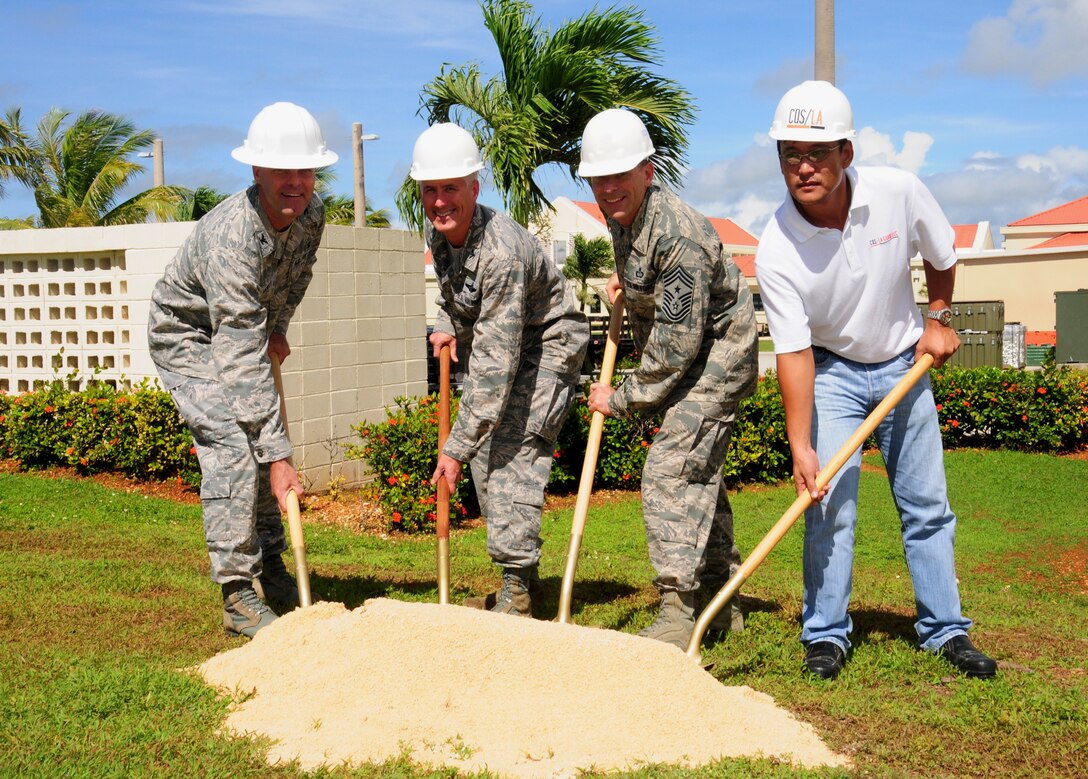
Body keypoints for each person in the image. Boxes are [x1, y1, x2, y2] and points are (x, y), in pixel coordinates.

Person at [754, 80, 998, 679]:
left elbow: (943, 254)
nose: (803, 167)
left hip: (903, 364)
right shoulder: (776, 247)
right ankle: (826, 635)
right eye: (790, 154)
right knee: (828, 503)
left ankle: (946, 630)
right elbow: (793, 352)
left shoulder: (898, 191)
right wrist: (802, 444)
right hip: (832, 369)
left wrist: (937, 318)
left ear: (847, 152)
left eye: (817, 153)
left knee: (926, 506)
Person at [148, 102, 337, 638]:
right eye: (283, 171)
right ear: (256, 171)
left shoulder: (313, 214)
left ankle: (272, 568)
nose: (297, 183)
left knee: (258, 438)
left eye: (305, 170)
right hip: (189, 337)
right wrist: (278, 456)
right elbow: (236, 352)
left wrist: (277, 325)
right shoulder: (233, 236)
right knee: (236, 443)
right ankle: (237, 594)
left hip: (244, 330)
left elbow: (296, 275)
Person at [579, 108, 759, 649]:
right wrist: (629, 286)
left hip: (717, 357)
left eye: (620, 176)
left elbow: (675, 346)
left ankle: (679, 613)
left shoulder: (678, 235)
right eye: (599, 178)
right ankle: (721, 596)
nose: (609, 188)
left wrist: (622, 396)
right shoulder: (625, 219)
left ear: (648, 172)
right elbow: (651, 283)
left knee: (671, 470)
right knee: (698, 471)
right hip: (691, 350)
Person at [414, 123, 589, 616]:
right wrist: (447, 322)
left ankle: (516, 591)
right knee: (481, 454)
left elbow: (494, 369)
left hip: (548, 345)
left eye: (452, 188)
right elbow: (454, 293)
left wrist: (450, 448)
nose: (441, 201)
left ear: (475, 187)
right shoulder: (441, 231)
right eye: (431, 190)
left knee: (510, 452)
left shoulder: (502, 252)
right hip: (503, 341)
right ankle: (521, 573)